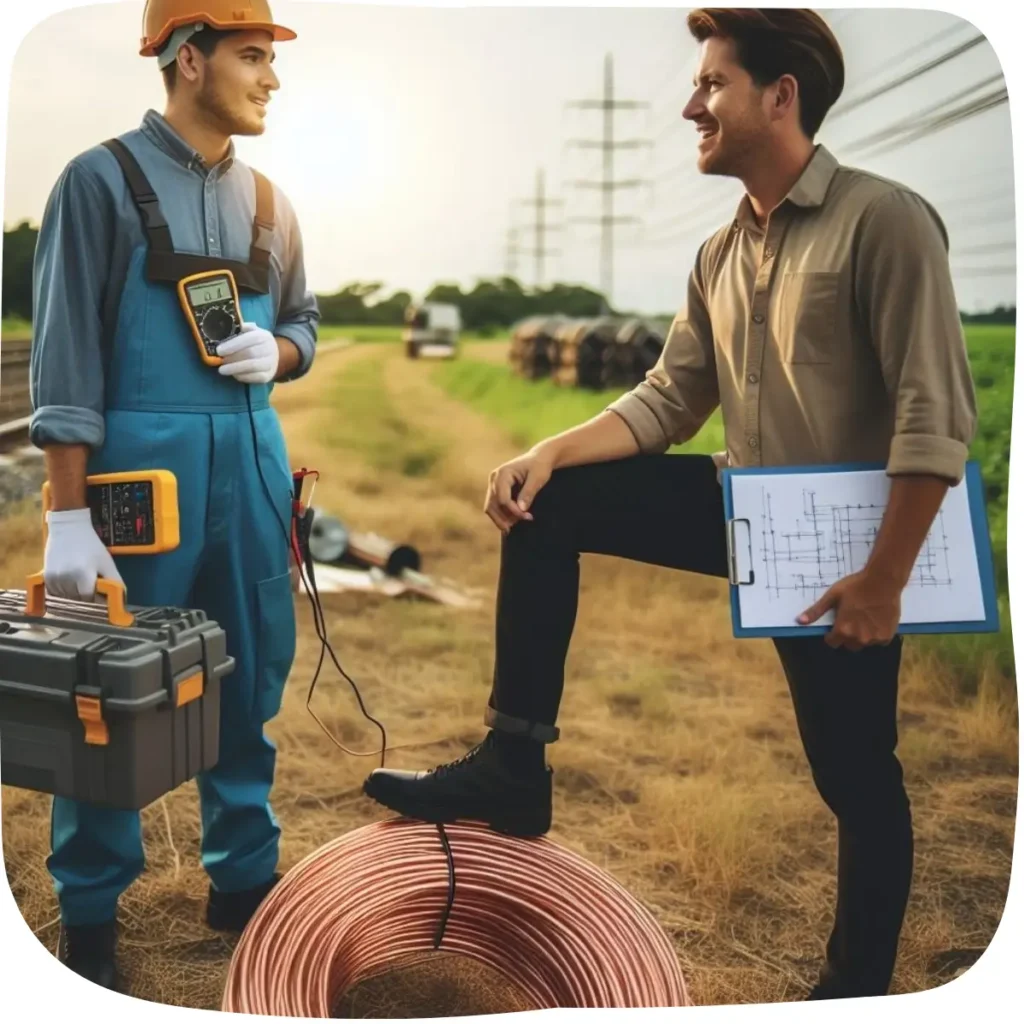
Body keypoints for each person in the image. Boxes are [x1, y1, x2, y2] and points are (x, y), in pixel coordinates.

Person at [363, 7, 978, 1003]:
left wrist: (882, 580)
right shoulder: (716, 254)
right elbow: (667, 399)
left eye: (711, 83)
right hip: (744, 512)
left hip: (852, 554)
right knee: (549, 504)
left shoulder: (887, 219)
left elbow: (932, 416)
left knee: (855, 777)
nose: (690, 103)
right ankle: (515, 761)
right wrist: (546, 451)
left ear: (779, 97)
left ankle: (854, 986)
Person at [29, 0, 318, 992]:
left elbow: (309, 324)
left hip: (253, 466)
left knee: (251, 674)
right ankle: (93, 913)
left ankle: (242, 881)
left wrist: (277, 349)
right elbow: (65, 359)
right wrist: (66, 516)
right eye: (251, 56)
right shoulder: (97, 182)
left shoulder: (272, 202)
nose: (271, 77)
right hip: (135, 488)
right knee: (109, 696)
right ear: (188, 59)